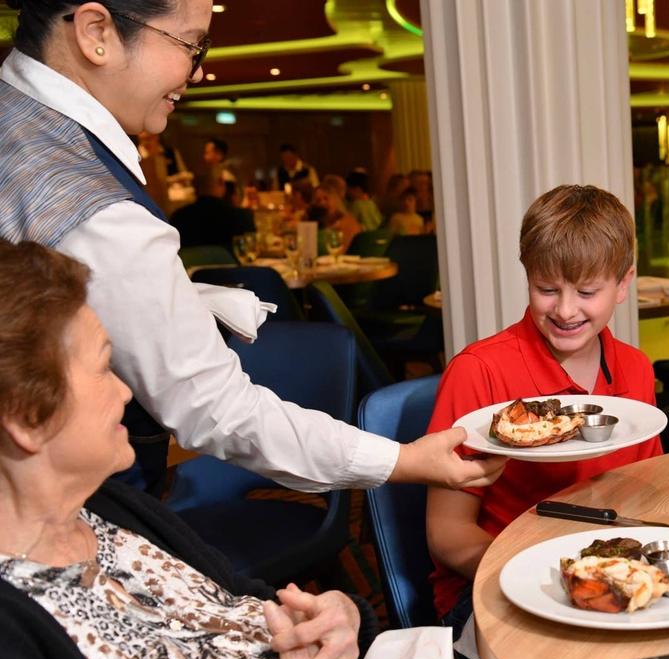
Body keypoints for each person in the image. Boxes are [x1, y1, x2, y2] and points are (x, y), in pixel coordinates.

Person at [0, 1, 504, 500]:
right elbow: (215, 409)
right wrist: (404, 458)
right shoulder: (91, 204)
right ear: (96, 31)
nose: (197, 74)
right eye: (193, 44)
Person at [0, 240, 390, 659]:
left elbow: (248, 604)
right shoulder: (14, 632)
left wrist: (343, 618)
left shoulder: (109, 508)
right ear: (26, 419)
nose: (125, 391)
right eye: (103, 367)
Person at [424, 185, 662, 659]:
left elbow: (647, 496)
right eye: (547, 289)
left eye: (588, 292)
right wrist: (546, 578)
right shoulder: (479, 371)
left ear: (623, 284)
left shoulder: (633, 367)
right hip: (491, 582)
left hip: (606, 575)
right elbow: (447, 535)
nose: (566, 310)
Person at [168, 170, 254, 250]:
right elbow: (249, 251)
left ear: (195, 187)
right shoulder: (242, 217)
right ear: (221, 183)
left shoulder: (178, 218)